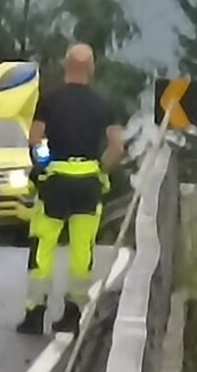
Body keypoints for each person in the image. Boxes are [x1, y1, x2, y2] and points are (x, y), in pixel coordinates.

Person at [16, 43, 125, 336]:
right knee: (82, 250)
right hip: (88, 182)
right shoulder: (103, 105)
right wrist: (100, 169)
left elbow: (35, 141)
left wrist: (43, 166)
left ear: (65, 66)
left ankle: (35, 313)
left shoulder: (50, 100)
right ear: (92, 68)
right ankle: (72, 314)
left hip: (56, 181)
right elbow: (117, 146)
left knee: (44, 246)